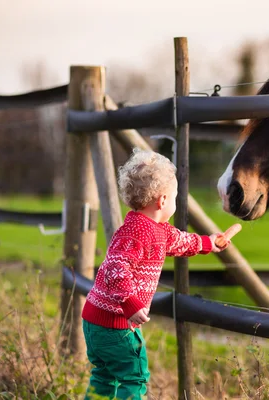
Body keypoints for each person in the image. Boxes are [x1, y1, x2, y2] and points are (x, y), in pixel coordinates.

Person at [81, 149, 230, 399]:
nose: (174, 202)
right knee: (134, 377)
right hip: (116, 324)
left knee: (104, 376)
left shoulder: (153, 229)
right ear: (162, 200)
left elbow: (181, 241)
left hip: (96, 320)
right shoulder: (137, 234)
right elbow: (116, 269)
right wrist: (130, 304)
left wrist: (208, 243)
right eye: (174, 197)